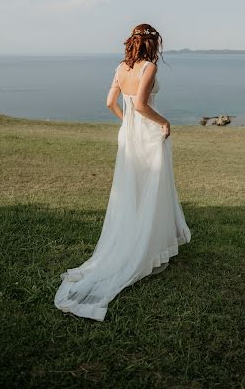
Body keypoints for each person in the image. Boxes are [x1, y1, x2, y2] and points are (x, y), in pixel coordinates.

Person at [54, 23, 192, 321]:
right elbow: (142, 105)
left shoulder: (120, 68)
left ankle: (136, 236)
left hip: (129, 134)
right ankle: (146, 244)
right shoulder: (150, 68)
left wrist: (125, 121)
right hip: (148, 133)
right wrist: (164, 122)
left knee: (133, 187)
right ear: (152, 46)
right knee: (152, 186)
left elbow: (110, 103)